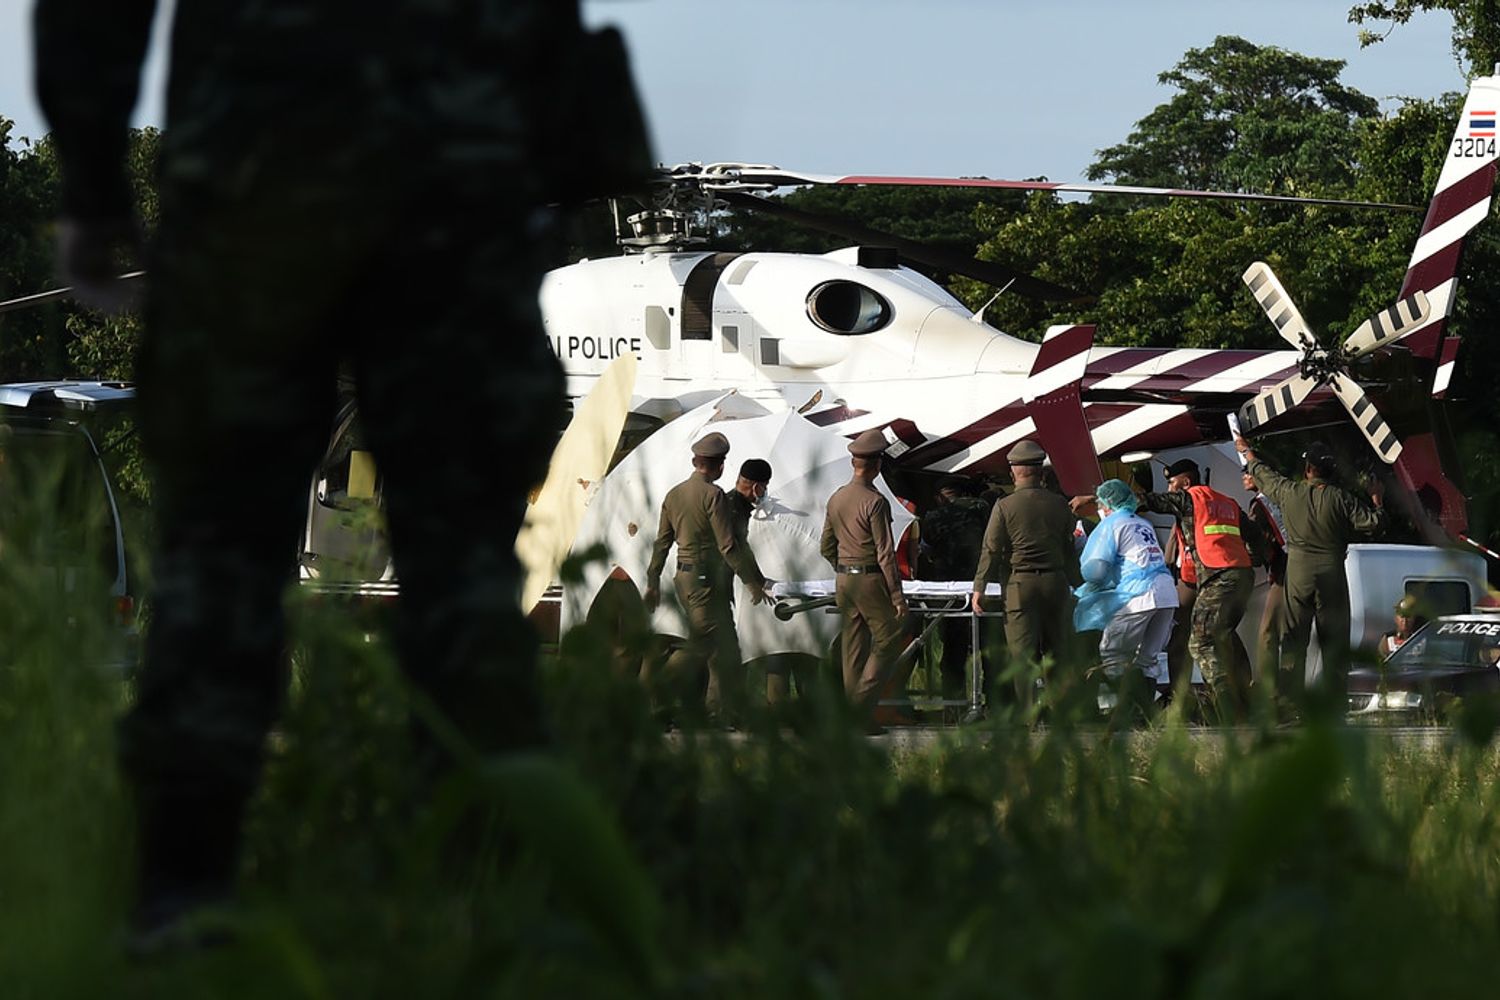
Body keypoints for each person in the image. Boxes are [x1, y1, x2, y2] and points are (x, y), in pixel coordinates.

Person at [33, 0, 650, 945]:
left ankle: (181, 893)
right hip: (452, 183)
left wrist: (92, 182)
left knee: (219, 559)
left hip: (256, 172)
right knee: (465, 578)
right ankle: (478, 889)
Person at [1236, 438, 1386, 703]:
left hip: (1298, 571)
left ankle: (1290, 702)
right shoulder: (1342, 499)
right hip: (1331, 572)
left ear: (1308, 469)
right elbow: (1373, 523)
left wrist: (1247, 452)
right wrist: (1377, 498)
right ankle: (1334, 705)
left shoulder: (1289, 492)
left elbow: (1264, 475)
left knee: (1293, 639)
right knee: (1334, 642)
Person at [644, 433, 770, 720]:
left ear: (694, 461)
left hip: (683, 578)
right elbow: (728, 546)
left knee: (720, 650)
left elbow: (662, 542)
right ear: (721, 466)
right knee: (703, 644)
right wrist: (752, 583)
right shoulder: (713, 496)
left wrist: (653, 582)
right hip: (705, 582)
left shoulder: (674, 494)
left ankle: (716, 712)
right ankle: (653, 692)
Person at [1134, 459, 1258, 718]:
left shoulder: (1190, 498)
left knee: (1201, 642)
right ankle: (1246, 700)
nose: (1170, 489)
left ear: (1186, 482)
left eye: (1172, 483)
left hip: (1218, 578)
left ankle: (1226, 707)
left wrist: (1101, 499)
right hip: (1242, 576)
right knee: (1224, 635)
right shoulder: (1227, 502)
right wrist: (1254, 557)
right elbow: (1254, 535)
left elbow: (1147, 501)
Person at [970, 440, 1081, 709]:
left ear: (1013, 472)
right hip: (1056, 583)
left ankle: (1028, 714)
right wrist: (1078, 584)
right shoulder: (1059, 504)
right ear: (1040, 472)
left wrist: (980, 587)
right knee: (1057, 650)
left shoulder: (1004, 506)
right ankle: (1060, 712)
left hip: (1019, 586)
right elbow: (1068, 550)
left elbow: (991, 549)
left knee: (1022, 653)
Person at [820, 430, 909, 730]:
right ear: (877, 464)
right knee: (887, 639)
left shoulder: (836, 498)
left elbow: (825, 546)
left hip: (844, 579)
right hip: (869, 578)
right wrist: (897, 597)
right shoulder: (875, 501)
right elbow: (885, 553)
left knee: (853, 649)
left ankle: (855, 717)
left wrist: (841, 566)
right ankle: (858, 710)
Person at [1072, 479, 1176, 715]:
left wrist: (1089, 586)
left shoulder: (1112, 524)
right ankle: (1143, 716)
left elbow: (1095, 570)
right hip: (1167, 594)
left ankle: (1138, 709)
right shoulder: (1143, 523)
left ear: (1107, 504)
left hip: (1141, 595)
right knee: (1147, 660)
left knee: (1112, 654)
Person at [921, 476, 993, 712]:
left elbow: (927, 549)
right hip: (983, 588)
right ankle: (996, 703)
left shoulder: (933, 517)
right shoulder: (983, 510)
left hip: (949, 592)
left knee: (953, 650)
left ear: (940, 496)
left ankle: (954, 706)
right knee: (990, 649)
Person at [1243, 469, 1288, 682]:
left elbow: (1258, 545)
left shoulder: (1259, 506)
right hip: (1296, 567)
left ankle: (1267, 688)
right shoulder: (1283, 497)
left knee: (1268, 633)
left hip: (1283, 573)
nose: (1243, 477)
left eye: (1247, 473)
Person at [1378, 595, 1424, 659]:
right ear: (1396, 618)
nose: (1405, 621)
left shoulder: (1422, 637)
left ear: (1414, 618)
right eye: (1402, 616)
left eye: (1408, 616)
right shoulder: (1387, 639)